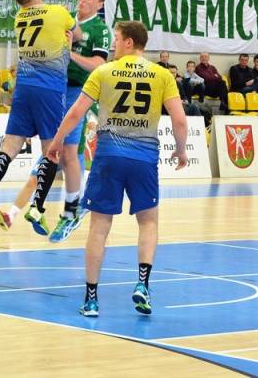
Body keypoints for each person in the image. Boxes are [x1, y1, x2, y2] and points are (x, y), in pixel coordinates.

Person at [46, 20, 189, 317]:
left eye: (116, 39)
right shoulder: (162, 74)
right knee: (148, 223)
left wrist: (57, 141)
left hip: (109, 156)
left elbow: (75, 113)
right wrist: (181, 148)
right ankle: (143, 285)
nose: (112, 44)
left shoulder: (103, 72)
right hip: (144, 158)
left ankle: (91, 300)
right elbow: (179, 119)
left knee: (99, 228)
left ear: (129, 42)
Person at [0, 0, 111, 243]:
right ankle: (16, 212)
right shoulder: (62, 17)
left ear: (100, 4)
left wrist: (70, 55)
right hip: (50, 89)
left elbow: (99, 65)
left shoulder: (100, 30)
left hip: (76, 92)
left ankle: (70, 211)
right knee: (50, 158)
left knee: (66, 153)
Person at [0, 0, 76, 235]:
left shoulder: (19, 18)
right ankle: (37, 208)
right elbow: (78, 34)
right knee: (51, 152)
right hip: (50, 90)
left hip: (23, 89)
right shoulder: (58, 12)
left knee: (8, 148)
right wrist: (68, 43)